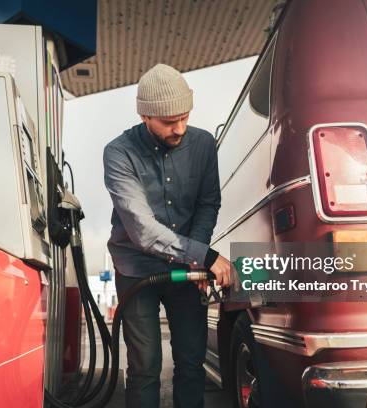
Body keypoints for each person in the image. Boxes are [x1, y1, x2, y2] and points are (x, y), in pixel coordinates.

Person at [103, 63, 232, 408]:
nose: (180, 128)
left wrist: (197, 255)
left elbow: (207, 204)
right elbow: (142, 230)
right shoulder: (118, 153)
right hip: (135, 270)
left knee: (191, 363)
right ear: (145, 115)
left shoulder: (204, 144)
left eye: (185, 117)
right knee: (145, 368)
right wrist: (204, 257)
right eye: (169, 121)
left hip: (187, 274)